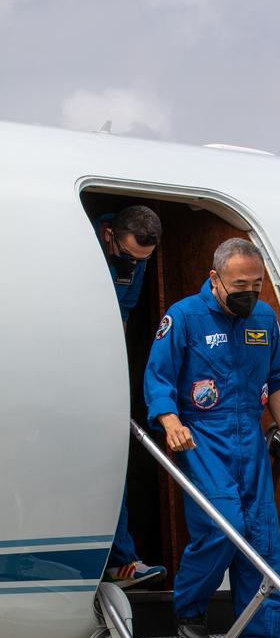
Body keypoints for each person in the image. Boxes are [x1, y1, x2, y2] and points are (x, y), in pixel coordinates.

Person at [143, 237, 280, 638]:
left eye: (256, 284)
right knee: (221, 526)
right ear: (215, 279)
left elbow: (277, 381)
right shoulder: (184, 317)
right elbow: (158, 378)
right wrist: (170, 419)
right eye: (240, 284)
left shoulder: (264, 318)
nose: (249, 293)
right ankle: (190, 603)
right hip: (204, 440)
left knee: (262, 547)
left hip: (249, 444)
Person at [93, 204, 167, 588]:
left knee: (112, 463)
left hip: (100, 369)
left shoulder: (133, 262)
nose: (133, 265)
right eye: (128, 256)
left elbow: (123, 313)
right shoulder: (83, 246)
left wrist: (112, 370)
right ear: (109, 235)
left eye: (143, 260)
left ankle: (121, 559)